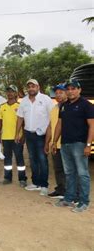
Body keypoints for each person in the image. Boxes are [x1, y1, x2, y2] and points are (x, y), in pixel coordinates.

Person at [52, 80, 94, 213]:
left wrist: (88, 145)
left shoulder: (86, 105)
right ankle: (69, 198)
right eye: (68, 89)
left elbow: (92, 126)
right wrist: (54, 141)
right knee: (69, 173)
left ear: (79, 90)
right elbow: (59, 124)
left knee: (82, 174)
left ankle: (83, 202)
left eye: (73, 88)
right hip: (65, 144)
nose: (70, 91)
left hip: (79, 144)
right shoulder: (64, 106)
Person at [15, 79, 53, 196]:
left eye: (33, 86)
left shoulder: (46, 99)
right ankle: (36, 183)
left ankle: (44, 185)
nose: (31, 88)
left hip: (41, 135)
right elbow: (20, 118)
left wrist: (48, 139)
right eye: (29, 87)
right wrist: (17, 133)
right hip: (29, 134)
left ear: (38, 87)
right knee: (33, 159)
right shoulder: (24, 101)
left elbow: (51, 119)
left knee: (42, 160)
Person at [0, 85, 27, 187]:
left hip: (17, 138)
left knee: (19, 158)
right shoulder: (2, 106)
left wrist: (23, 136)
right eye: (8, 91)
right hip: (5, 137)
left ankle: (22, 179)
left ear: (15, 93)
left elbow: (23, 122)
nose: (10, 93)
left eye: (12, 92)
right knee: (7, 159)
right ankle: (7, 178)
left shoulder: (20, 106)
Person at [44, 84, 68, 199]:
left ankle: (71, 193)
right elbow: (50, 126)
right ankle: (61, 189)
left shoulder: (70, 107)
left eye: (61, 92)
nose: (58, 95)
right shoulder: (54, 109)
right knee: (58, 169)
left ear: (66, 93)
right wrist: (47, 143)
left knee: (69, 170)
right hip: (54, 145)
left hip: (66, 144)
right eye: (56, 93)